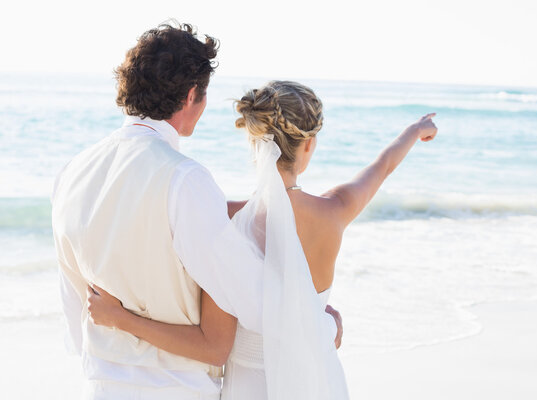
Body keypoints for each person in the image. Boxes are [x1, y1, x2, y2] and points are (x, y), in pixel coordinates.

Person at [87, 81, 438, 399]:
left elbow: (211, 345)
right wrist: (414, 131)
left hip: (249, 387)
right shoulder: (336, 211)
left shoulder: (223, 220)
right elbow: (381, 167)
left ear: (254, 141)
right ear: (309, 145)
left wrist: (120, 319)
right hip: (317, 378)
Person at [52, 22, 343, 400]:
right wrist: (323, 329)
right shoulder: (184, 180)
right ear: (192, 96)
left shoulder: (72, 172)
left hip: (101, 386)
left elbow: (75, 308)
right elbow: (250, 298)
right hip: (176, 388)